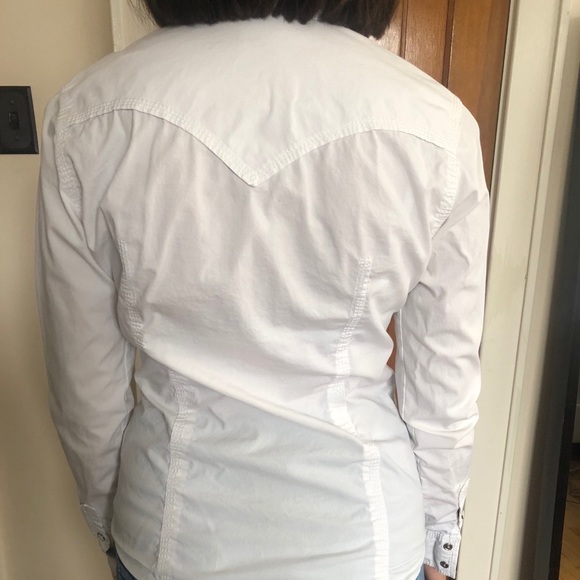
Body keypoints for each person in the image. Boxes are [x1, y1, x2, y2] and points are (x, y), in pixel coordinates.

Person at [35, 1, 489, 579]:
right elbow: (444, 379)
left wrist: (111, 516)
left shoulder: (87, 113)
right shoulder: (437, 125)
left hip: (172, 537)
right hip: (365, 537)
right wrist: (439, 535)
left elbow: (83, 383)